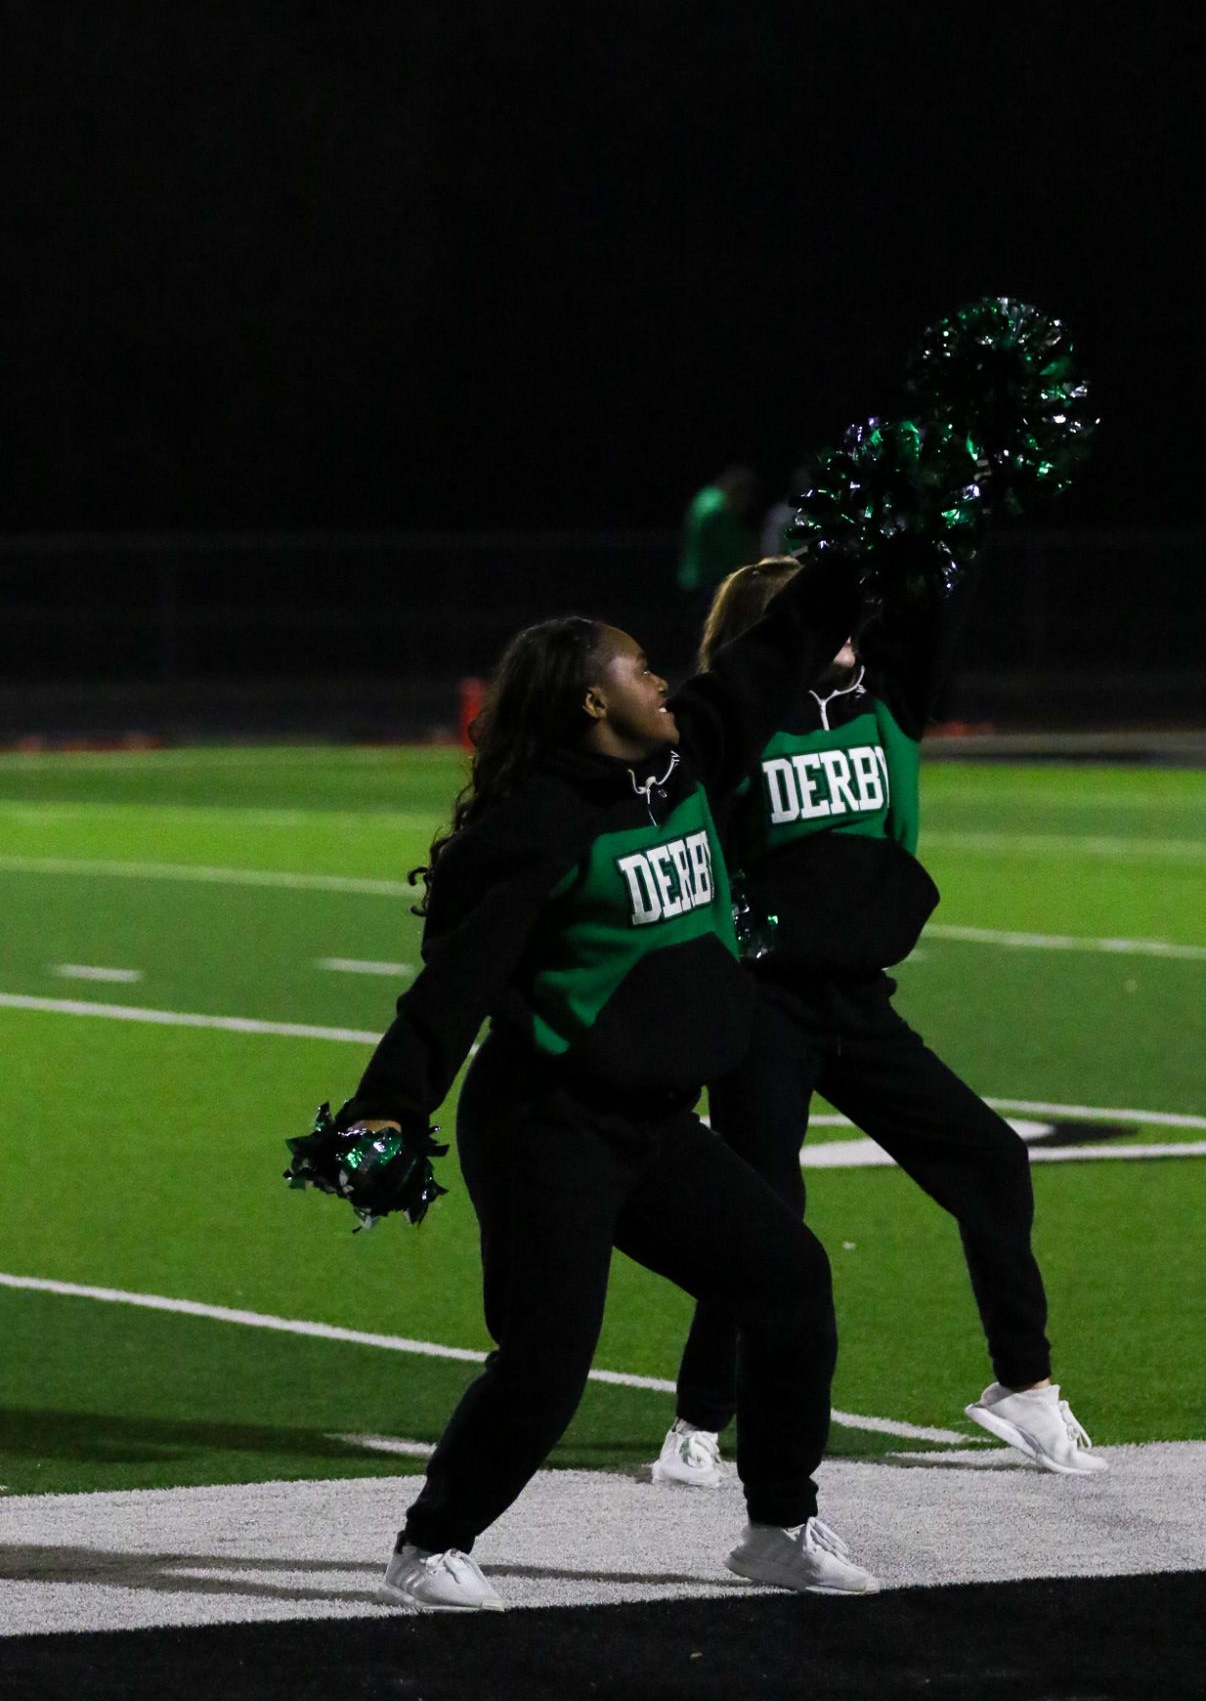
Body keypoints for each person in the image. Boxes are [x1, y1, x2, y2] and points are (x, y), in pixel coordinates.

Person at [330, 547, 882, 1611]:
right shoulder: (535, 826)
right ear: (593, 700)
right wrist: (389, 1110)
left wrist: (861, 548)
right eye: (638, 670)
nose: (662, 680)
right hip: (547, 1125)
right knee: (546, 1363)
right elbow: (451, 992)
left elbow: (771, 656)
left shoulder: (683, 766)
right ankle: (430, 1543)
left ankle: (776, 1524)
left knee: (787, 1283)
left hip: (656, 1126)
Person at [651, 556, 1107, 1491]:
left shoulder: (887, 699)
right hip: (764, 1003)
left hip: (857, 997)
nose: (846, 628)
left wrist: (934, 502)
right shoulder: (731, 728)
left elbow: (936, 586)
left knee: (988, 1158)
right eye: (815, 618)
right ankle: (699, 1419)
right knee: (767, 1212)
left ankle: (1023, 1383)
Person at [676, 465, 759, 616]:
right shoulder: (719, 511)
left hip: (691, 576)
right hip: (710, 581)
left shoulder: (705, 496)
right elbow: (735, 551)